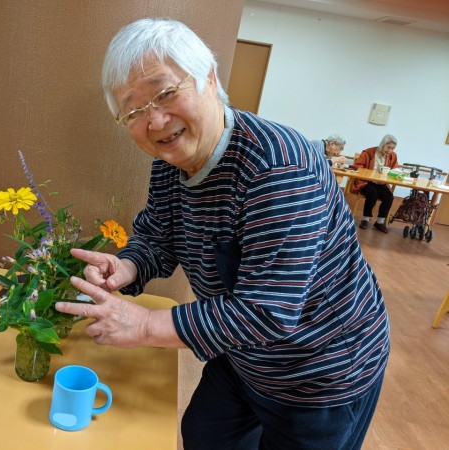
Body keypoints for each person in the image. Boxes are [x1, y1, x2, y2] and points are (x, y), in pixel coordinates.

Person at [56, 18, 390, 449]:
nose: (155, 121)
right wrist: (127, 266)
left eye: (165, 93)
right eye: (134, 111)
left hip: (320, 371)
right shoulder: (169, 164)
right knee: (204, 435)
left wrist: (145, 325)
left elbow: (266, 312)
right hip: (241, 352)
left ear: (210, 79)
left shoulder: (279, 168)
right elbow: (156, 237)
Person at [352, 134, 400, 233]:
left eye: (393, 148)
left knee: (389, 197)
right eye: (388, 147)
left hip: (381, 183)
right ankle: (365, 219)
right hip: (366, 182)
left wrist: (395, 172)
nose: (390, 150)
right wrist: (370, 173)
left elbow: (395, 169)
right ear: (382, 144)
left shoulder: (393, 156)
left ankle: (380, 222)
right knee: (372, 193)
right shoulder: (368, 153)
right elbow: (357, 167)